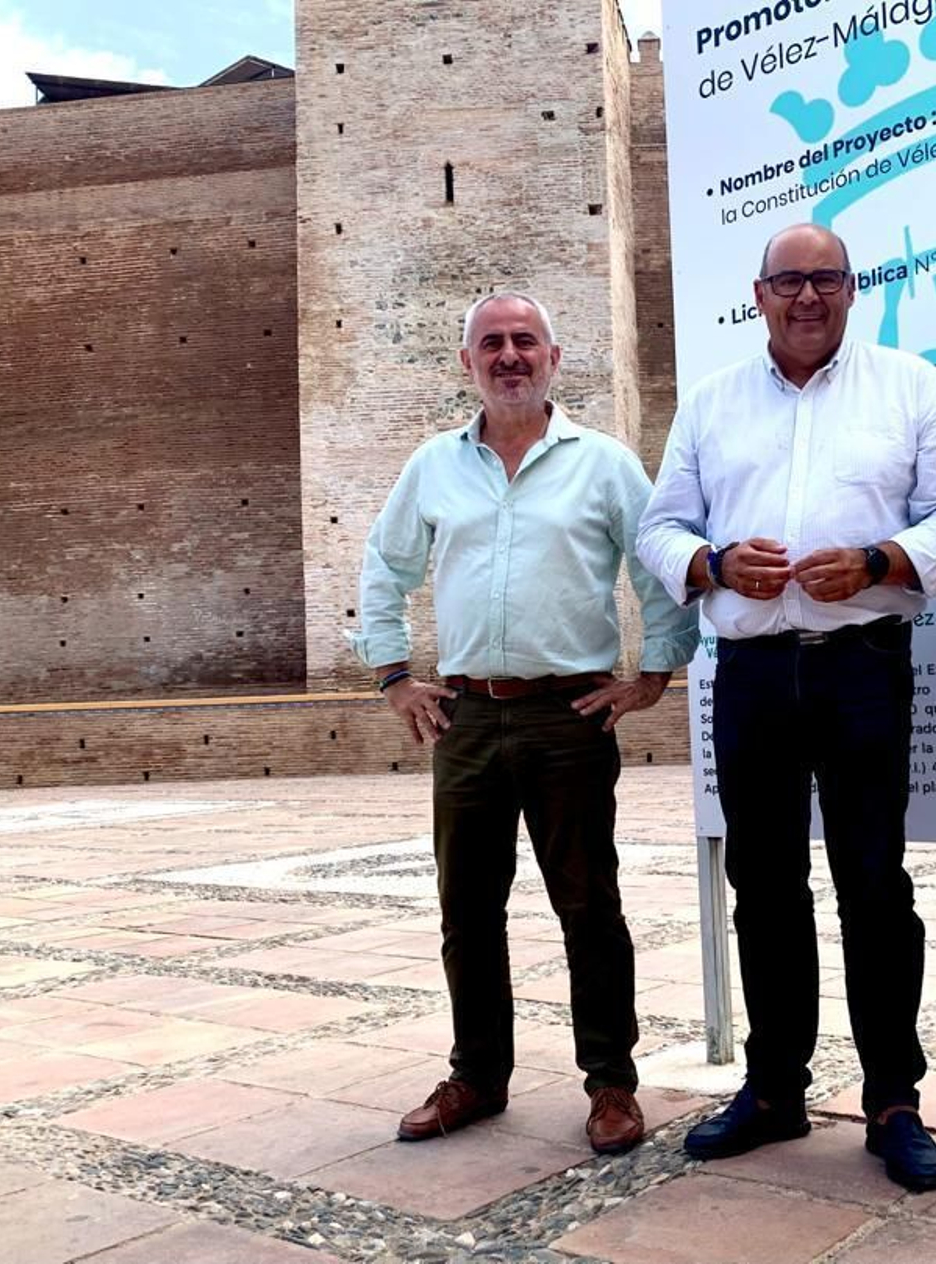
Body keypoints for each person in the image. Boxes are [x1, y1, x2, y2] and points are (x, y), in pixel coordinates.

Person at [637, 223, 936, 1191]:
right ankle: (774, 1089)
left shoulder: (908, 385)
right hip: (750, 673)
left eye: (824, 279)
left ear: (851, 289)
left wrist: (879, 560)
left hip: (862, 666)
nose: (806, 297)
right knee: (763, 884)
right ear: (758, 295)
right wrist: (711, 563)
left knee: (874, 883)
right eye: (787, 281)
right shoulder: (711, 402)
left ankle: (893, 1099)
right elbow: (659, 529)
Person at [352, 292, 698, 1155]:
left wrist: (655, 673)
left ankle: (611, 1082)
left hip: (567, 717)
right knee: (467, 908)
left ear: (553, 357)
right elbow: (385, 566)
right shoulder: (434, 466)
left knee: (589, 904)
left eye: (524, 341)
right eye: (491, 344)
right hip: (466, 717)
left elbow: (656, 564)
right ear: (467, 362)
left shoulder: (604, 464)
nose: (509, 356)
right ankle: (477, 1074)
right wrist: (394, 677)